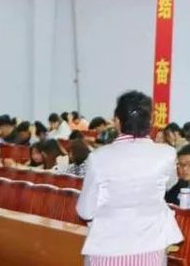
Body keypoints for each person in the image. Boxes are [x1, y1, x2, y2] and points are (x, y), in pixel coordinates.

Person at [76, 90, 182, 265]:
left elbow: (85, 211)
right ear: (151, 121)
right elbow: (170, 184)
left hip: (106, 249)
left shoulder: (98, 157)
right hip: (151, 248)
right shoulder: (167, 154)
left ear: (117, 121)